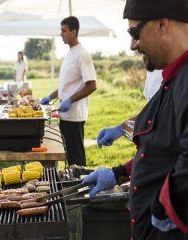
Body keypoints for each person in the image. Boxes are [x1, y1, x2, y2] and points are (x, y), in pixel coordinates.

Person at [83, 0, 188, 239]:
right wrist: (118, 172)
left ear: (162, 24)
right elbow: (160, 151)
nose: (132, 45)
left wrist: (163, 208)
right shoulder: (172, 78)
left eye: (134, 33)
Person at [40, 16, 97, 167]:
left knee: (76, 160)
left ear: (73, 32)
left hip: (75, 116)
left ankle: (80, 187)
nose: (61, 35)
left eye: (63, 31)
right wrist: (50, 97)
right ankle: (70, 186)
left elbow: (92, 85)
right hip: (65, 116)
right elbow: (66, 85)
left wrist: (71, 100)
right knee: (69, 157)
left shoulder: (82, 55)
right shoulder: (70, 53)